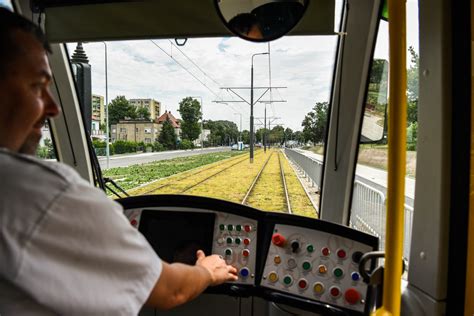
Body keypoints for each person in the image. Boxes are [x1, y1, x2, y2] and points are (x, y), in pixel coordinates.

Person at [0, 7, 238, 315]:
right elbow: (171, 290)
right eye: (37, 86)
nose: (53, 108)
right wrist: (206, 271)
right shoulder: (37, 193)